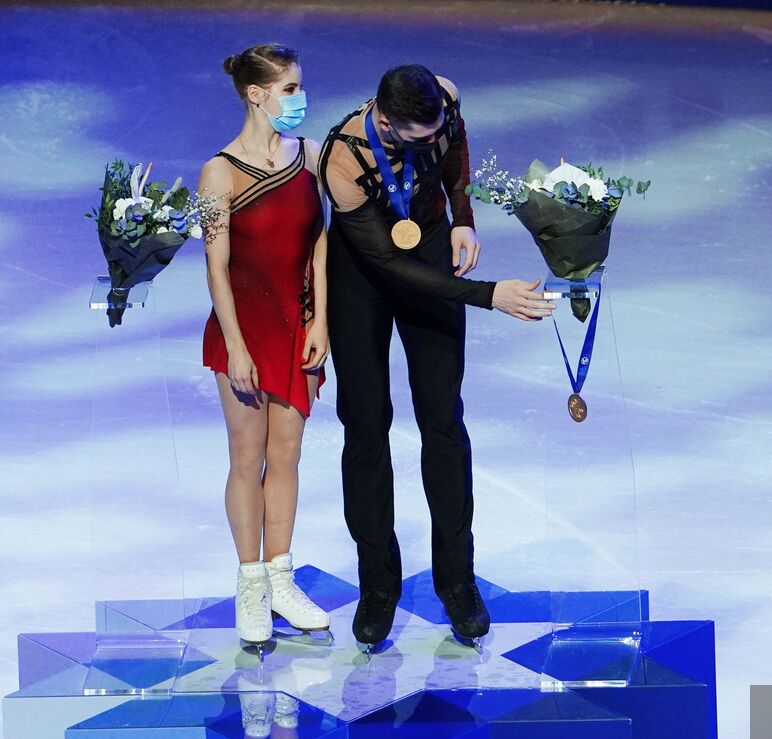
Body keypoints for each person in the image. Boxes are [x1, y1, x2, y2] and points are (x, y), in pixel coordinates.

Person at [318, 64, 554, 651]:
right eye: (415, 137)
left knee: (443, 422)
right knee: (366, 426)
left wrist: (463, 220)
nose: (431, 140)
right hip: (366, 275)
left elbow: (455, 152)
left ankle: (457, 580)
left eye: (435, 129)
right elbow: (393, 268)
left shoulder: (444, 101)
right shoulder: (343, 159)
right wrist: (489, 295)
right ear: (385, 119)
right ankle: (378, 586)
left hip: (430, 242)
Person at [199, 44, 332, 648]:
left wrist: (320, 321)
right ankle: (250, 583)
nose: (298, 99)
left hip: (296, 325)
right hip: (243, 334)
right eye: (289, 88)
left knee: (288, 456)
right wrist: (236, 347)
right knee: (245, 457)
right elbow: (216, 266)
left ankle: (282, 576)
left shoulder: (308, 157)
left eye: (298, 87)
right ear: (256, 94)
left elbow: (320, 247)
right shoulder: (217, 172)